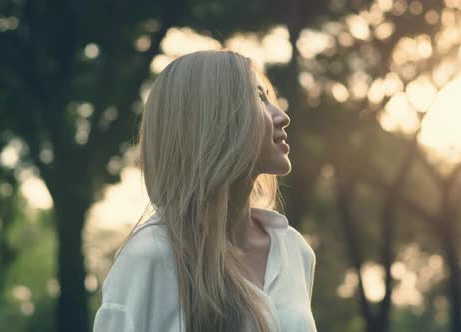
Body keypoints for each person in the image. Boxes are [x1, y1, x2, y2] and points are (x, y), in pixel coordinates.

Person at [92, 50, 316, 332]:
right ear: (212, 118)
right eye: (259, 97)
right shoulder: (150, 256)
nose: (282, 116)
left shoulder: (295, 251)